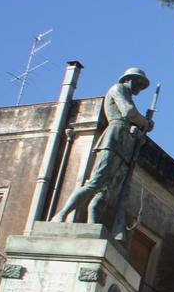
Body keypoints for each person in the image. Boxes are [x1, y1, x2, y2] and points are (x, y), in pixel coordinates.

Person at [56, 68, 154, 241]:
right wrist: (145, 122)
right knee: (96, 182)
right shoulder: (118, 89)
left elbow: (132, 119)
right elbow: (129, 112)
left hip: (125, 144)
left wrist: (140, 131)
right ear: (129, 79)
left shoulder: (128, 94)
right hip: (113, 139)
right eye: (139, 82)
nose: (140, 87)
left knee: (108, 191)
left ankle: (92, 225)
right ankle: (61, 215)